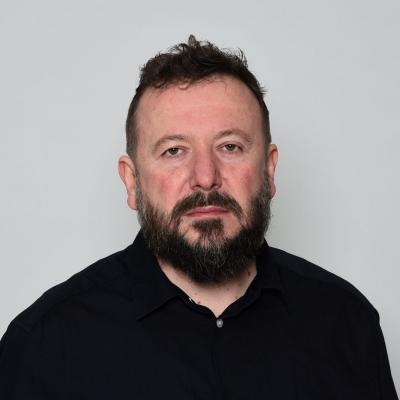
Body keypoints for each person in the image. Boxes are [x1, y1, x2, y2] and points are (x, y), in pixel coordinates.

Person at [0, 35, 397, 399]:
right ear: (132, 182)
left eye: (230, 146)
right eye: (174, 151)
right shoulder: (44, 345)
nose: (205, 177)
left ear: (269, 169)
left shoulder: (346, 323)